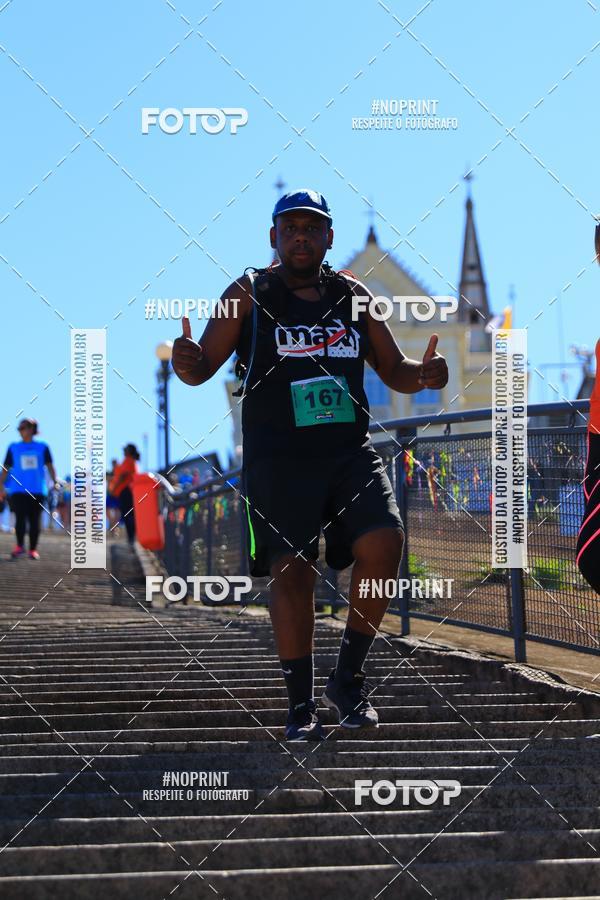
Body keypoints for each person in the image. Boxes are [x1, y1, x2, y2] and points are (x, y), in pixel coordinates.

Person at [172, 188, 448, 741]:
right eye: (291, 227)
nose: (302, 235)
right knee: (292, 571)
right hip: (280, 458)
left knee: (384, 543)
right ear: (273, 237)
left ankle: (347, 679)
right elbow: (201, 367)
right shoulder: (247, 294)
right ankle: (300, 707)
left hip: (348, 451)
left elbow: (393, 369)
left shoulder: (354, 296)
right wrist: (186, 362)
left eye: (313, 227)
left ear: (329, 238)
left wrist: (425, 375)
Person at [0, 418, 57, 559]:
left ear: (31, 429)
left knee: (35, 520)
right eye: (19, 428)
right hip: (17, 490)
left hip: (38, 489)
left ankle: (33, 549)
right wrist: (0, 484)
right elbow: (6, 468)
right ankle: (19, 546)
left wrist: (55, 481)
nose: (20, 431)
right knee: (19, 518)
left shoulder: (43, 447)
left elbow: (50, 466)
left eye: (22, 428)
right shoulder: (13, 447)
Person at [108, 444, 140, 545]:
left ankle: (131, 538)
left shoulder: (128, 460)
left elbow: (123, 476)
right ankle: (131, 538)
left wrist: (114, 487)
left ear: (129, 451)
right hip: (126, 491)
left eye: (125, 450)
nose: (123, 451)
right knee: (127, 514)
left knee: (128, 515)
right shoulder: (130, 461)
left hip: (126, 491)